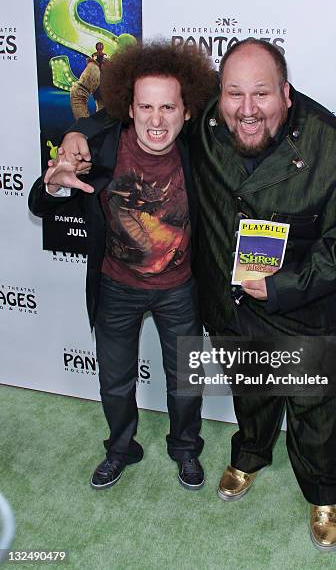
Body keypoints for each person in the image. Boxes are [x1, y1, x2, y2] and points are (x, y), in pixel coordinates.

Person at [55, 38, 336, 550]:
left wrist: (284, 286)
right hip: (232, 305)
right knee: (251, 396)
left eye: (261, 94)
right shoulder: (207, 125)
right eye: (234, 93)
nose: (247, 109)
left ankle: (323, 493)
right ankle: (249, 457)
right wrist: (77, 128)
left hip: (304, 310)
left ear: (286, 93)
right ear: (216, 97)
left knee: (314, 409)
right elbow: (139, 111)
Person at [28, 42, 217, 491]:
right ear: (128, 109)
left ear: (186, 111)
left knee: (186, 382)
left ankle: (185, 449)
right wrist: (55, 184)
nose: (156, 119)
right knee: (115, 383)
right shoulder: (102, 146)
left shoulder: (200, 150)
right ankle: (119, 449)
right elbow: (39, 201)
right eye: (145, 106)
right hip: (116, 287)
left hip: (180, 289)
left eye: (168, 106)